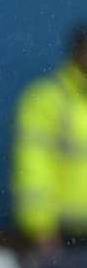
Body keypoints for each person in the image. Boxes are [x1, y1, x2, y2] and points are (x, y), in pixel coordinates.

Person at [13, 24, 87, 253]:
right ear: (78, 53)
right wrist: (41, 228)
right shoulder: (46, 101)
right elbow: (34, 169)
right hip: (63, 237)